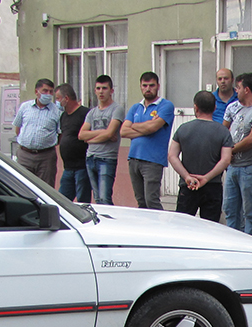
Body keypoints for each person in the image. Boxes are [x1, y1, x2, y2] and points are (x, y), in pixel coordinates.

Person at [169, 91, 235, 220]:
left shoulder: (183, 129)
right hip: (213, 186)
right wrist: (206, 177)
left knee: (182, 225)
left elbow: (172, 155)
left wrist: (186, 176)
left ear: (195, 107)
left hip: (188, 185)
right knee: (210, 228)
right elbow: (226, 159)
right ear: (214, 108)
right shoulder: (223, 131)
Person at [222, 72, 252, 236]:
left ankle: (251, 243)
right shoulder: (235, 108)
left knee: (250, 211)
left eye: (238, 87)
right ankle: (232, 243)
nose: (236, 91)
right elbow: (225, 130)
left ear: (247, 90)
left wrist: (230, 150)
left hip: (251, 168)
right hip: (233, 167)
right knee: (230, 209)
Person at [121, 72, 174, 209]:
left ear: (158, 86)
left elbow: (153, 128)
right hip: (134, 158)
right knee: (141, 201)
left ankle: (159, 229)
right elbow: (123, 131)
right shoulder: (135, 107)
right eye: (144, 85)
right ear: (140, 86)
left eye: (151, 85)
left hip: (153, 160)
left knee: (151, 200)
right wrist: (146, 126)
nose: (148, 88)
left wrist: (133, 125)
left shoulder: (165, 106)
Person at [78, 75, 125, 205]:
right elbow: (81, 135)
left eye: (104, 88)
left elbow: (110, 133)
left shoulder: (117, 109)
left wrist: (91, 138)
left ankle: (111, 224)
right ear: (94, 90)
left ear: (111, 90)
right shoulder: (92, 112)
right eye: (98, 88)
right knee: (97, 199)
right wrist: (102, 133)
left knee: (105, 198)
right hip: (90, 157)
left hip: (106, 158)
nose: (101, 91)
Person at [13, 78, 62, 187]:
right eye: (45, 91)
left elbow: (60, 134)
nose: (48, 94)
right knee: (22, 187)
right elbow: (18, 128)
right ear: (36, 92)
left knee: (45, 188)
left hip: (46, 157)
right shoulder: (25, 107)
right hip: (25, 155)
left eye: (50, 92)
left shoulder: (57, 111)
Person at [54, 83, 91, 203]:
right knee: (62, 200)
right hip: (68, 167)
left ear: (66, 98)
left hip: (82, 166)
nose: (57, 102)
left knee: (82, 201)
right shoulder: (63, 116)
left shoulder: (85, 113)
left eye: (58, 99)